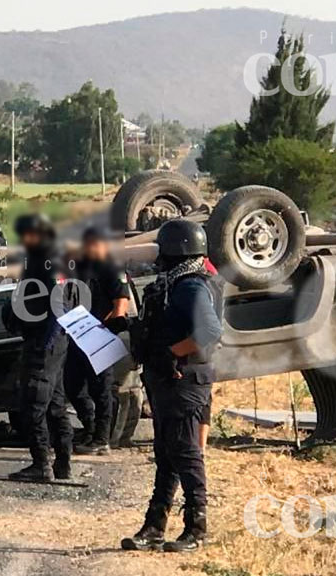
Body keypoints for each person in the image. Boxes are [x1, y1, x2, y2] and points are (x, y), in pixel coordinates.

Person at [122, 219, 222, 553]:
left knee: (185, 453)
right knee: (166, 455)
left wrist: (171, 352)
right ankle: (154, 526)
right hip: (170, 382)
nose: (158, 257)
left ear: (176, 250)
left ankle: (196, 527)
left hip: (184, 381)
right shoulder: (178, 283)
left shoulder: (190, 286)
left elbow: (209, 331)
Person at [2, 213, 73, 481]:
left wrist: (46, 342)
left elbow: (58, 306)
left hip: (46, 340)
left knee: (33, 403)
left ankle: (41, 464)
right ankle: (63, 465)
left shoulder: (49, 261)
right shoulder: (41, 257)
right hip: (49, 339)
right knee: (55, 404)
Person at [67, 226, 130, 455]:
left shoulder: (110, 265)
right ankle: (90, 427)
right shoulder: (79, 265)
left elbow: (121, 301)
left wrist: (108, 328)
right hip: (77, 333)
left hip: (98, 333)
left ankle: (102, 438)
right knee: (72, 386)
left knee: (101, 389)